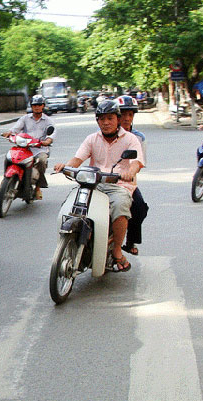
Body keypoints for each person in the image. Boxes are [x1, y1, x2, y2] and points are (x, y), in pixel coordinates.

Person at [53, 100, 145, 272]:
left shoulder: (131, 139)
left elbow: (136, 162)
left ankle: (117, 250)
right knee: (72, 205)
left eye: (110, 118)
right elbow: (78, 159)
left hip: (119, 185)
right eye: (102, 119)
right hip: (94, 183)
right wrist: (65, 166)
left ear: (118, 119)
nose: (106, 122)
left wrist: (130, 172)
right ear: (97, 121)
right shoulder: (92, 139)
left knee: (120, 207)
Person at [1, 94, 55, 200]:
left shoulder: (48, 121)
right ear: (31, 106)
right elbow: (15, 129)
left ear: (43, 106)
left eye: (39, 105)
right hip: (25, 148)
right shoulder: (25, 118)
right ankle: (4, 180)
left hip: (40, 149)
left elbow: (51, 134)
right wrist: (9, 133)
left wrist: (47, 140)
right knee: (9, 156)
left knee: (42, 161)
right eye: (34, 105)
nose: (37, 107)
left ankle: (38, 187)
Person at [115, 95, 148, 256]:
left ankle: (130, 240)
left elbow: (139, 163)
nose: (127, 119)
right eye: (123, 114)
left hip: (126, 181)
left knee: (140, 207)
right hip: (103, 179)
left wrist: (130, 175)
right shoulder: (104, 133)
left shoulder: (138, 138)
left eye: (130, 115)